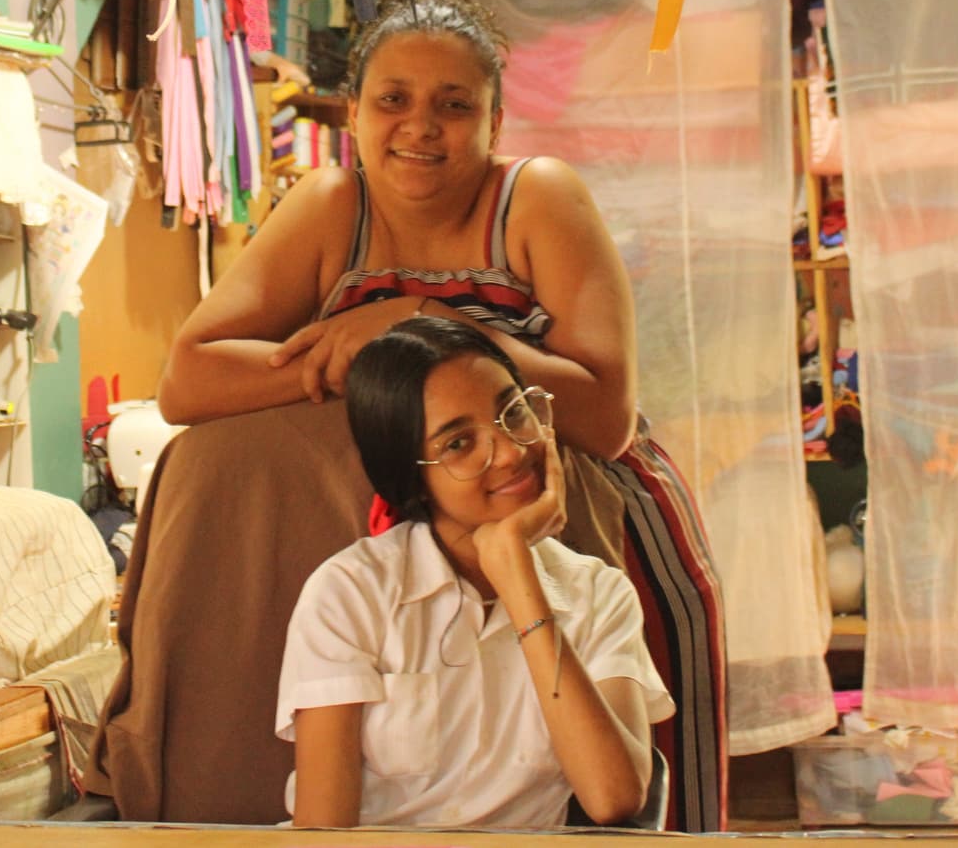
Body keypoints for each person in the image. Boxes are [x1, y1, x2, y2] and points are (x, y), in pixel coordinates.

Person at [87, 0, 725, 830]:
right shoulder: (328, 206)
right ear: (354, 114)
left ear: (496, 121)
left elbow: (604, 413)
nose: (421, 126)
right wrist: (356, 371)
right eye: (394, 100)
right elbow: (189, 379)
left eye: (454, 105)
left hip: (535, 500)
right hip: (370, 526)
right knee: (205, 464)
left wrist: (421, 324)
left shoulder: (537, 199)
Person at [279, 317, 672, 829]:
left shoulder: (598, 593)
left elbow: (614, 798)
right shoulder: (349, 594)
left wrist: (519, 580)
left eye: (513, 412)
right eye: (459, 444)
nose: (510, 452)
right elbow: (324, 834)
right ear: (410, 479)